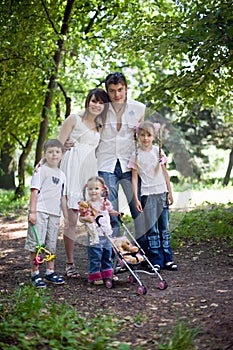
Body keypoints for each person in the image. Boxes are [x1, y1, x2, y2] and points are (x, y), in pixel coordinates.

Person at [58, 88, 110, 278]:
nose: (96, 105)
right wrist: (63, 147)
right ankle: (70, 263)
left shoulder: (100, 127)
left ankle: (96, 264)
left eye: (101, 103)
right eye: (94, 101)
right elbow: (56, 146)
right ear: (88, 101)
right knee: (71, 220)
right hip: (72, 170)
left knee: (93, 218)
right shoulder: (74, 119)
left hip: (89, 173)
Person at [96, 72, 146, 237]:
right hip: (106, 164)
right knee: (111, 212)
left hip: (130, 164)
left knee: (138, 210)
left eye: (120, 89)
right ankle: (117, 257)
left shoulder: (138, 109)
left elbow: (144, 137)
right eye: (112, 91)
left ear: (126, 88)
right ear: (107, 91)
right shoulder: (100, 110)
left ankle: (144, 255)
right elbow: (86, 130)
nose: (116, 94)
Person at [128, 121, 178, 272]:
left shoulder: (158, 152)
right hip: (147, 195)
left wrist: (169, 191)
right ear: (137, 136)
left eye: (148, 135)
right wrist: (136, 198)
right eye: (142, 135)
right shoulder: (136, 155)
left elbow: (164, 173)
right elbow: (134, 178)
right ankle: (155, 260)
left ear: (154, 136)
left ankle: (167, 259)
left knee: (164, 227)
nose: (145, 138)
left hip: (161, 193)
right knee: (152, 230)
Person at [25, 139, 68, 288]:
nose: (54, 155)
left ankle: (50, 272)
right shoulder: (41, 170)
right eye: (50, 152)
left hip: (54, 214)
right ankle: (35, 273)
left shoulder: (62, 175)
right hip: (40, 212)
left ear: (61, 154)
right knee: (37, 244)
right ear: (45, 154)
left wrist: (66, 216)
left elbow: (62, 197)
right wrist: (33, 212)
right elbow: (34, 192)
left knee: (51, 244)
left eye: (57, 152)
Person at [79, 176, 123, 285]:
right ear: (87, 190)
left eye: (96, 189)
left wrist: (116, 214)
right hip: (95, 235)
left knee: (107, 254)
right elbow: (81, 217)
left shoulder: (105, 202)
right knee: (95, 255)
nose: (93, 191)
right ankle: (94, 275)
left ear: (102, 190)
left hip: (107, 234)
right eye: (90, 189)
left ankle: (107, 274)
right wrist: (86, 218)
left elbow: (110, 211)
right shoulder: (87, 204)